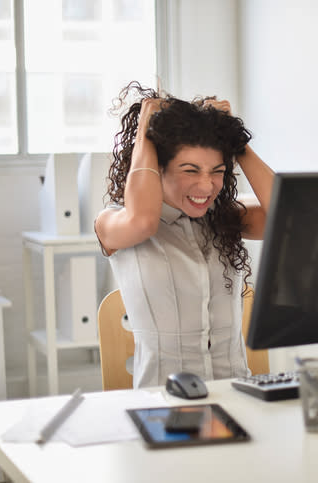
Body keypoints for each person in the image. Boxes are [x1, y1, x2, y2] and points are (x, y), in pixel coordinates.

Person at [95, 82, 274, 388]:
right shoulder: (113, 222)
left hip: (237, 395)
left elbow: (287, 217)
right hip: (164, 403)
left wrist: (236, 140)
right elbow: (143, 221)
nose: (206, 187)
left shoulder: (223, 216)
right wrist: (146, 133)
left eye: (217, 171)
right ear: (156, 168)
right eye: (190, 170)